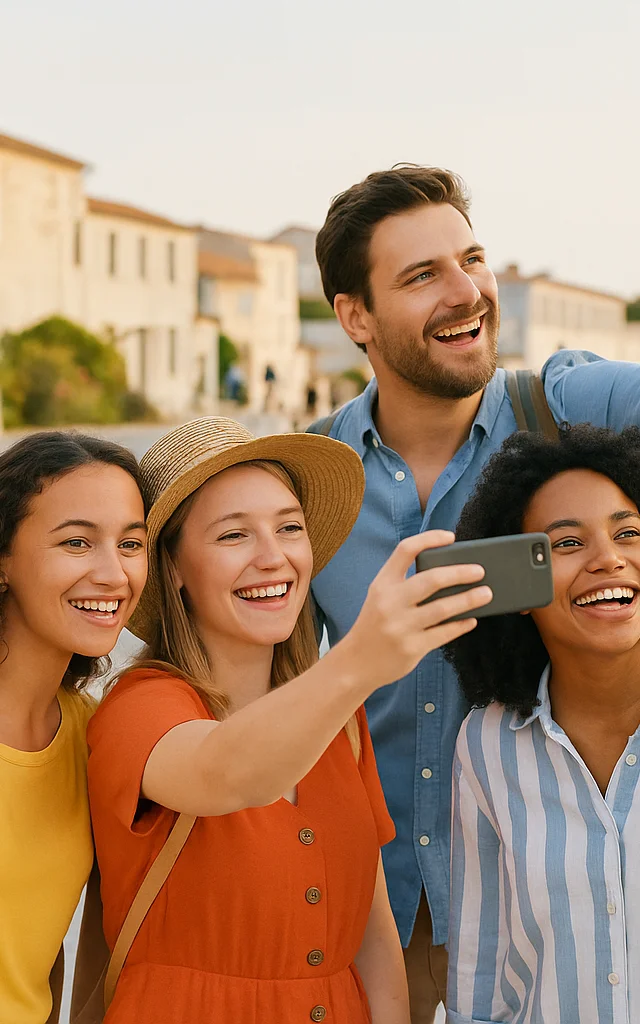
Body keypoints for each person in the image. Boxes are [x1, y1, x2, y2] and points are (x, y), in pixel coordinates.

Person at [310, 163, 640, 1022]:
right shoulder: (308, 486)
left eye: (473, 259)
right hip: (374, 915)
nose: (468, 293)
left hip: (564, 899)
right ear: (355, 317)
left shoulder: (566, 409)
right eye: (423, 276)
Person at [85, 416, 492, 1024]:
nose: (273, 558)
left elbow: (374, 939)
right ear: (172, 569)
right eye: (233, 536)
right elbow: (223, 771)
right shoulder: (139, 707)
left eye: (290, 528)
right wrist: (358, 661)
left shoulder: (340, 718)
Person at [445, 423, 640, 1023]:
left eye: (629, 532)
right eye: (566, 544)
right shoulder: (486, 744)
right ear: (518, 587)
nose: (609, 559)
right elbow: (480, 974)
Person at [0, 431, 147, 1024]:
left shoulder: (91, 734)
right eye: (77, 542)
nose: (113, 573)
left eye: (131, 544)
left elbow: (38, 956)